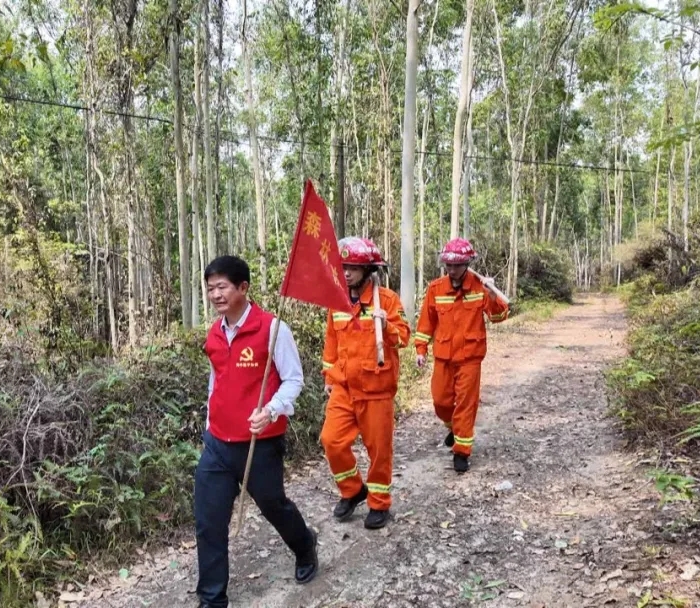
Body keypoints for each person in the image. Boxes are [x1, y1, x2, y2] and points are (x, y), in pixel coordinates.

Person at [195, 255, 318, 608]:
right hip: (217, 445)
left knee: (273, 506)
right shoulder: (214, 333)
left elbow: (294, 379)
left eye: (222, 287)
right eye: (210, 289)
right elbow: (215, 381)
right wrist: (210, 425)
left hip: (258, 443)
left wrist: (271, 410)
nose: (215, 295)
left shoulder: (272, 329)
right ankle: (212, 599)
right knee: (209, 520)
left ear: (243, 287)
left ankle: (305, 545)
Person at [319, 237, 411, 530]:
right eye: (343, 267)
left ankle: (379, 503)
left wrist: (387, 325)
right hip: (344, 388)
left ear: (368, 270)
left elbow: (404, 337)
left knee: (379, 451)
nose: (346, 273)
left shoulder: (388, 300)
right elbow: (331, 345)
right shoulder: (337, 302)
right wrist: (329, 377)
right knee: (331, 441)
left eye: (353, 268)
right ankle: (353, 490)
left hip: (376, 389)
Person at [414, 238, 509, 474]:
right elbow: (426, 323)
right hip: (444, 357)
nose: (452, 269)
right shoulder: (436, 289)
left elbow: (498, 317)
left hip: (470, 358)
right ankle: (454, 428)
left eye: (457, 265)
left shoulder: (480, 287)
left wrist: (493, 295)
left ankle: (462, 452)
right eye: (449, 265)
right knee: (441, 402)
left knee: (466, 405)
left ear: (467, 264)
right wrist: (421, 349)